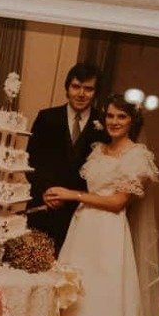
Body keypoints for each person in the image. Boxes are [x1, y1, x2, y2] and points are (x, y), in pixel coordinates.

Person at [43, 95, 159, 316]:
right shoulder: (98, 151)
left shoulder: (137, 156)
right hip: (83, 227)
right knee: (73, 285)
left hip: (108, 231)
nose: (114, 121)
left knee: (101, 292)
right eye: (110, 115)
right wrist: (61, 196)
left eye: (121, 116)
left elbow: (117, 202)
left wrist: (72, 195)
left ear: (132, 121)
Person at [27, 62, 106, 250]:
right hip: (44, 207)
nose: (81, 94)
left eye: (88, 89)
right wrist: (46, 191)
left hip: (81, 213)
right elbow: (31, 161)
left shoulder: (104, 125)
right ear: (67, 88)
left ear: (95, 93)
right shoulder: (46, 118)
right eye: (76, 86)